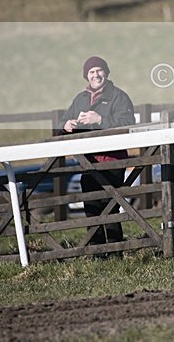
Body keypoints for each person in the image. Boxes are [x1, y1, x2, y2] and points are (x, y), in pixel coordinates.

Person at [56, 56, 136, 250]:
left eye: (99, 70)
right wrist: (66, 125)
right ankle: (96, 250)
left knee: (109, 204)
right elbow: (62, 122)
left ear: (106, 73)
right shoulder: (80, 99)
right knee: (91, 206)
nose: (96, 75)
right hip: (87, 162)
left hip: (112, 160)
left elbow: (128, 124)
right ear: (86, 76)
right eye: (91, 72)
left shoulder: (119, 96)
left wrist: (100, 119)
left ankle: (116, 249)